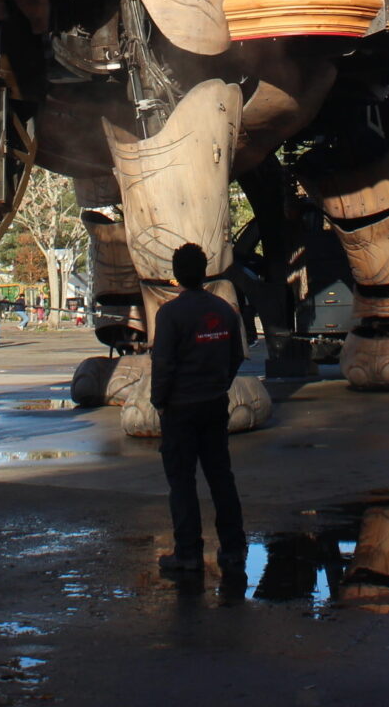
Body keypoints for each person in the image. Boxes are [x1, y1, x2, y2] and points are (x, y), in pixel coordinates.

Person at [150, 243, 247, 576]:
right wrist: (220, 384)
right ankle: (233, 548)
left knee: (182, 481)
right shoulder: (224, 311)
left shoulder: (169, 314)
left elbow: (162, 363)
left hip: (180, 408)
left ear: (176, 275)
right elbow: (236, 356)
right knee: (221, 477)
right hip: (214, 403)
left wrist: (159, 401)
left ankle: (188, 552)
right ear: (205, 271)